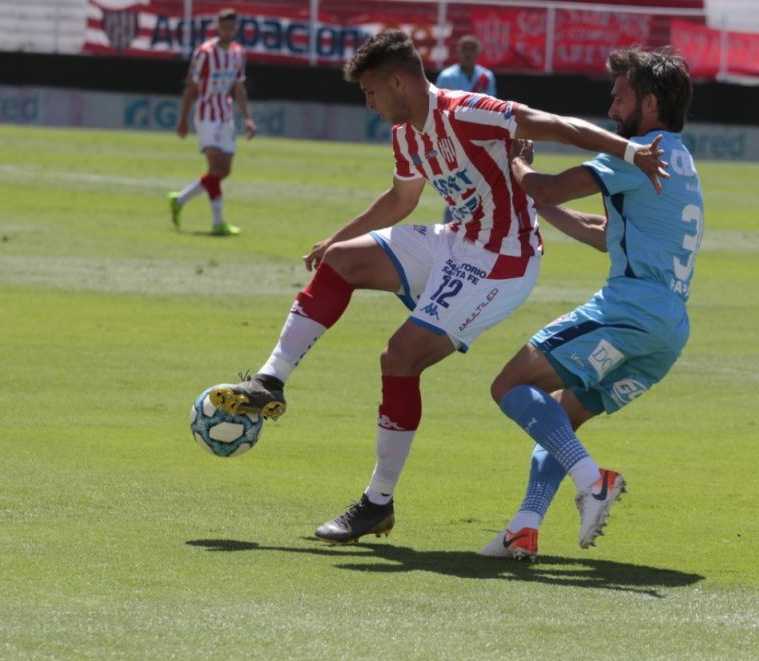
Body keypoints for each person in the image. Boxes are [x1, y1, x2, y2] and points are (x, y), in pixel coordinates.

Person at [210, 30, 668, 545]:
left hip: (503, 259)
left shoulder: (467, 111)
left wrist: (629, 151)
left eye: (371, 92)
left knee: (399, 357)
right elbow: (400, 201)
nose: (369, 103)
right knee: (340, 262)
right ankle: (270, 381)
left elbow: (554, 125)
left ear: (399, 82)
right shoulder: (406, 133)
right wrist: (335, 238)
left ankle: (376, 503)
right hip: (455, 242)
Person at [478, 47, 702, 562]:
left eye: (619, 96)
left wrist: (516, 160)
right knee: (561, 418)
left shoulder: (638, 152)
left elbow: (547, 183)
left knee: (510, 384)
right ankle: (525, 527)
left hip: (627, 312)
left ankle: (592, 480)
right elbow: (608, 235)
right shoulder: (680, 158)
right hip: (666, 332)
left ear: (649, 102)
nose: (610, 106)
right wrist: (544, 207)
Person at [167, 7, 256, 236]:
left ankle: (180, 199)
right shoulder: (204, 53)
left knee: (224, 171)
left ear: (236, 28)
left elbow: (238, 87)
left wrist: (247, 117)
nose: (228, 31)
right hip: (206, 114)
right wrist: (183, 120)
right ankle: (218, 222)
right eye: (224, 27)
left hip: (225, 114)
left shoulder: (238, 53)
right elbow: (191, 87)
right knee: (216, 168)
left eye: (231, 27)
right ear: (219, 28)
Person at [435, 34, 497, 223]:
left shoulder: (486, 77)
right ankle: (451, 226)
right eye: (465, 49)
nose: (468, 53)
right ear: (458, 52)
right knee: (456, 184)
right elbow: (437, 107)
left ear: (478, 52)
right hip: (453, 137)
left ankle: (477, 224)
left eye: (472, 49)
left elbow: (491, 107)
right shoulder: (446, 76)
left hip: (479, 138)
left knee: (479, 183)